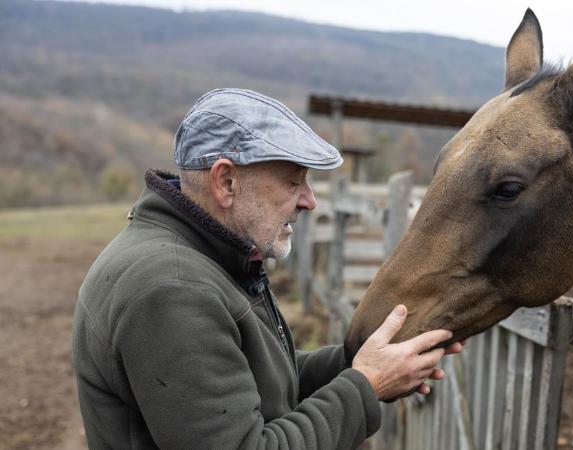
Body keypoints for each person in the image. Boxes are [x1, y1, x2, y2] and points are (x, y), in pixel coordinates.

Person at [72, 88, 462, 450]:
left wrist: (365, 360)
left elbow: (261, 384)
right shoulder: (173, 290)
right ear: (226, 181)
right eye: (294, 181)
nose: (309, 201)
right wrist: (367, 385)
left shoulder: (207, 259)